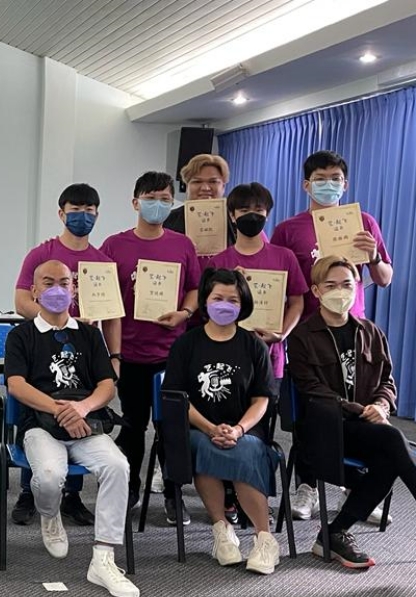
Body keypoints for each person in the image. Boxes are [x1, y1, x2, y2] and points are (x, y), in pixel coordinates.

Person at [271, 150, 394, 522]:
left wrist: (373, 257)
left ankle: (355, 490)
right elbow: (281, 285)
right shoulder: (289, 229)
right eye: (321, 178)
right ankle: (306, 485)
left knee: (355, 411)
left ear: (346, 183)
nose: (329, 184)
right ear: (306, 184)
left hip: (351, 334)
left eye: (336, 178)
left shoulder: (365, 223)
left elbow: (385, 278)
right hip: (308, 335)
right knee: (312, 410)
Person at [5, 260, 138, 597]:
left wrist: (81, 408)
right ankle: (49, 515)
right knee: (49, 475)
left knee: (117, 466)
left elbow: (107, 385)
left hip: (86, 423)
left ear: (74, 289)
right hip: (41, 425)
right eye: (48, 283)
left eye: (64, 283)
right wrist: (59, 410)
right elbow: (17, 386)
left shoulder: (90, 334)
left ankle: (104, 558)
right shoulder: (21, 335)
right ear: (33, 291)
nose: (56, 290)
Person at [287, 256, 416, 569]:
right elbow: (313, 391)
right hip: (325, 431)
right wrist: (363, 410)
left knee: (389, 455)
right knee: (393, 440)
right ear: (316, 291)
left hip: (369, 431)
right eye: (331, 285)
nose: (340, 290)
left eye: (347, 284)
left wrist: (382, 405)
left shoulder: (370, 332)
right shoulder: (303, 337)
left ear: (357, 287)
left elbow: (387, 380)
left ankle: (333, 533)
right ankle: (334, 534)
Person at [11, 183, 121, 527]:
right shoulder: (40, 254)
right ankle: (32, 492)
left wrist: (115, 357)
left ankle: (72, 497)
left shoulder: (103, 262)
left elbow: (113, 314)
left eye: (89, 210)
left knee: (82, 412)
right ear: (61, 213)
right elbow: (20, 301)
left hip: (86, 351)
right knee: (42, 421)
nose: (82, 216)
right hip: (45, 342)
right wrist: (58, 319)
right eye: (76, 209)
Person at [162, 268, 281, 574]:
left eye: (233, 299)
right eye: (218, 298)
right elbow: (177, 397)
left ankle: (264, 538)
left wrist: (239, 429)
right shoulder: (186, 344)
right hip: (199, 426)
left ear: (243, 305)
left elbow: (261, 399)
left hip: (245, 428)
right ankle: (221, 529)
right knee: (204, 447)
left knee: (243, 450)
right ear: (205, 300)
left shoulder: (253, 345)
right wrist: (210, 428)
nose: (225, 305)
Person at [100, 171, 201, 525]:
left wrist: (184, 313)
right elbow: (103, 296)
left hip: (173, 353)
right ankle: (128, 487)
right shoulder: (114, 246)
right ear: (135, 202)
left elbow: (194, 289)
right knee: (133, 425)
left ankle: (174, 494)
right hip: (129, 353)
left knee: (172, 427)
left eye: (164, 198)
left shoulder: (182, 245)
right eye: (151, 197)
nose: (157, 204)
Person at [206, 183, 308, 395]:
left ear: (267, 215)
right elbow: (206, 307)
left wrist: (281, 334)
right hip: (226, 350)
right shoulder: (219, 262)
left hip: (272, 354)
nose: (252, 216)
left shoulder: (285, 256)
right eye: (244, 211)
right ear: (232, 217)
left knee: (265, 416)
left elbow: (297, 302)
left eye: (259, 211)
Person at [163, 153, 234, 246]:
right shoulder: (168, 220)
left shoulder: (235, 220)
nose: (205, 188)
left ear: (223, 186)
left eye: (213, 181)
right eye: (197, 181)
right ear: (187, 186)